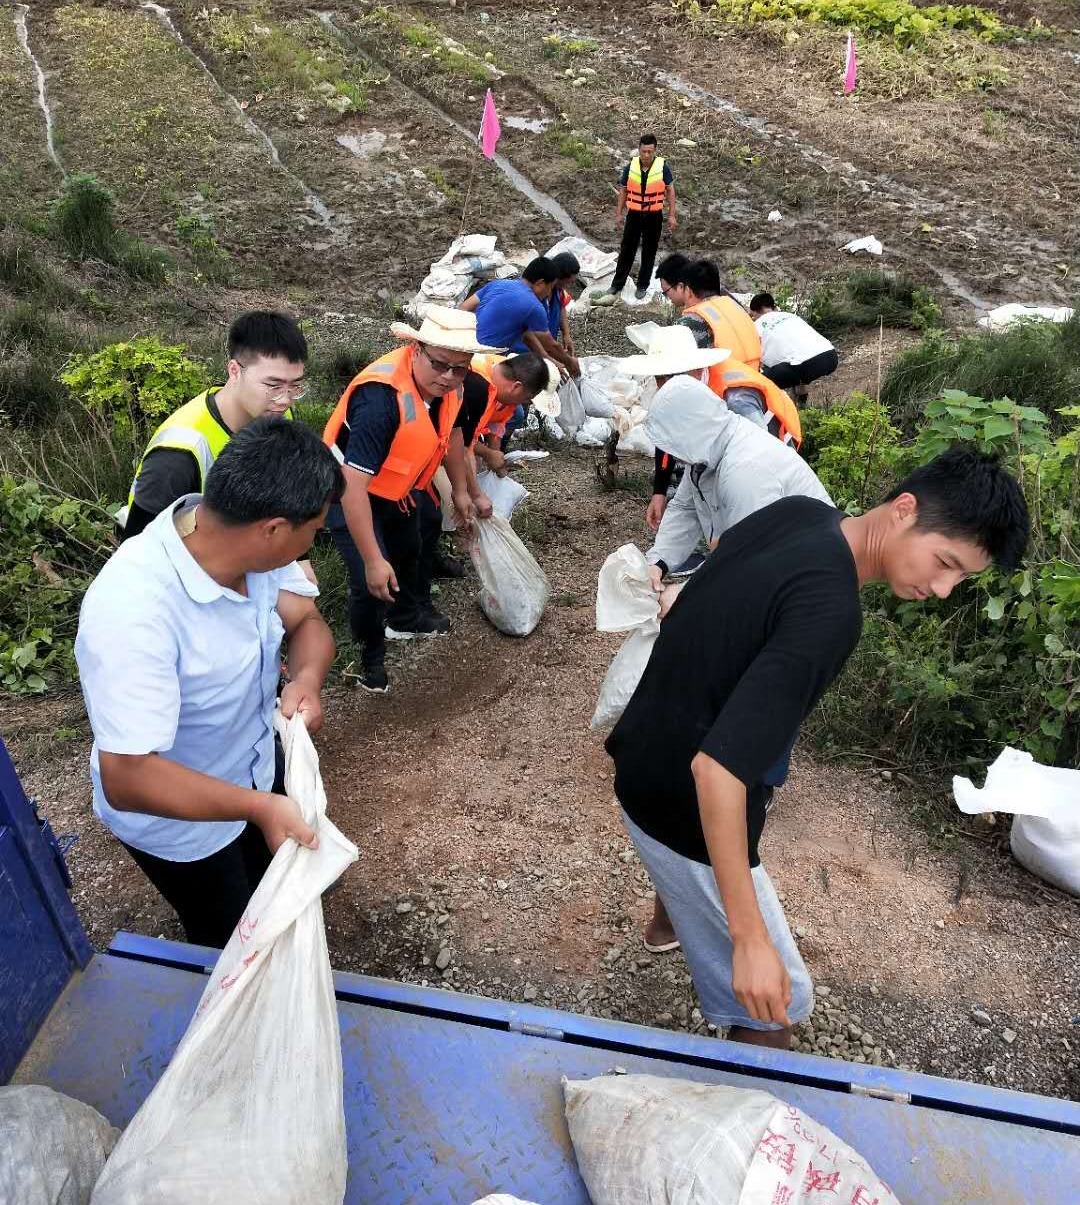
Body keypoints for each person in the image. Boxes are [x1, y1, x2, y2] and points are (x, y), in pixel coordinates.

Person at [605, 448, 1029, 1048]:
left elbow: (716, 578)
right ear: (904, 509)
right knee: (776, 1007)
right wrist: (750, 941)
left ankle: (668, 924)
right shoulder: (831, 611)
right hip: (676, 803)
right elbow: (718, 771)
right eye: (945, 563)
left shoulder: (800, 514)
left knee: (708, 873)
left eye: (960, 579)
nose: (942, 589)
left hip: (642, 744)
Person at [75, 418, 344, 949]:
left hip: (254, 766)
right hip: (181, 822)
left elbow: (307, 622)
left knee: (277, 883)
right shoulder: (133, 610)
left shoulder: (243, 546)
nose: (315, 540)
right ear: (273, 528)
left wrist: (308, 678)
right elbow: (127, 778)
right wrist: (258, 808)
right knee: (231, 935)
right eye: (314, 529)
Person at [322, 307, 499, 694]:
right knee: (369, 581)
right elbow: (351, 486)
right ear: (416, 350)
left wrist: (461, 490)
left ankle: (403, 619)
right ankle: (369, 660)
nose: (448, 376)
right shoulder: (381, 401)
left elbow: (452, 434)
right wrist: (372, 559)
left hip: (395, 488)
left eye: (459, 368)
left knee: (410, 547)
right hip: (347, 493)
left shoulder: (454, 387)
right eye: (439, 364)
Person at [123, 311, 309, 540]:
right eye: (273, 385)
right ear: (234, 371)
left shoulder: (277, 413)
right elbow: (137, 547)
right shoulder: (178, 454)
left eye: (295, 386)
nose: (285, 399)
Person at [621, 325, 803, 531]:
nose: (664, 385)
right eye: (659, 378)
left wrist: (730, 530)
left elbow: (756, 466)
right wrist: (659, 491)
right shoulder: (686, 391)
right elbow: (669, 436)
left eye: (671, 377)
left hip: (773, 454)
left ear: (697, 369)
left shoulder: (736, 400)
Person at [461, 257, 579, 380]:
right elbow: (550, 345)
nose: (549, 292)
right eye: (550, 287)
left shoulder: (498, 284)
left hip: (466, 351)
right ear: (540, 283)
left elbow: (463, 308)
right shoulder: (534, 306)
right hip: (485, 362)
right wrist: (570, 362)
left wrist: (547, 358)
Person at [465, 353, 556, 477]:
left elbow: (495, 423)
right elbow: (459, 437)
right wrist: (488, 454)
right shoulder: (476, 385)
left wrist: (496, 458)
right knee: (467, 464)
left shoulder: (505, 384)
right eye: (527, 399)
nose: (525, 403)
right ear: (516, 387)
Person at [611, 133, 676, 301]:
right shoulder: (630, 167)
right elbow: (623, 190)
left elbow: (670, 190)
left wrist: (672, 215)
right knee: (627, 250)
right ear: (639, 150)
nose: (646, 155)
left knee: (649, 252)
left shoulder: (662, 168)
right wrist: (619, 214)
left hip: (654, 216)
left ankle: (642, 286)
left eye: (650, 152)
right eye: (643, 151)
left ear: (655, 151)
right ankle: (617, 284)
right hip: (634, 215)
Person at [749, 292, 838, 400]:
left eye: (752, 315)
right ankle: (802, 398)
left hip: (802, 366)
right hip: (829, 357)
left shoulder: (755, 326)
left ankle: (776, 409)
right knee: (793, 359)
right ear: (774, 307)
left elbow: (754, 356)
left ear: (754, 312)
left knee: (760, 382)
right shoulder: (790, 316)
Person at [547, 251, 580, 359]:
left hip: (548, 345)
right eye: (567, 282)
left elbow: (561, 307)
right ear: (557, 278)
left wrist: (566, 334)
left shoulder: (558, 290)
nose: (567, 286)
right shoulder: (539, 295)